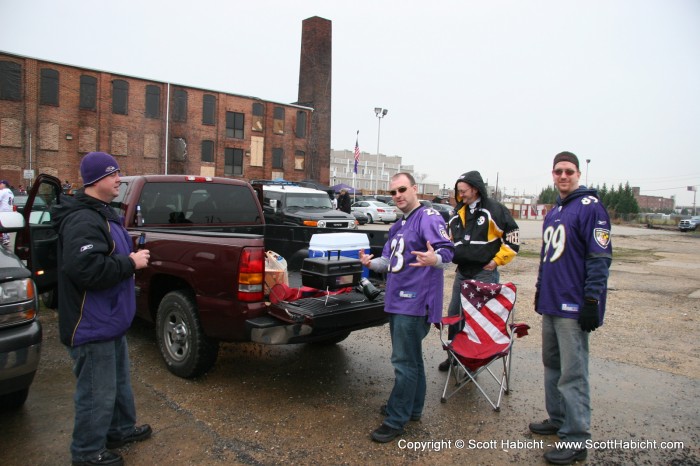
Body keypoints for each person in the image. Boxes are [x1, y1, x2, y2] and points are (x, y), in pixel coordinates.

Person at [52, 152, 152, 466]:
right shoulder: (83, 218)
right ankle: (86, 452)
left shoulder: (102, 213)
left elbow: (104, 252)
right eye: (113, 175)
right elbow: (86, 270)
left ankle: (120, 430)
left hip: (110, 319)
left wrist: (128, 252)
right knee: (97, 392)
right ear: (96, 181)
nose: (118, 179)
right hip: (90, 323)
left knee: (118, 382)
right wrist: (130, 262)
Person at [529, 151, 612, 465]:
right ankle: (559, 418)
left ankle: (576, 438)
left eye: (569, 171)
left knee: (573, 374)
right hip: (551, 302)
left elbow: (599, 258)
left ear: (578, 174)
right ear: (552, 174)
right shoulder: (555, 211)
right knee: (552, 365)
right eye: (558, 171)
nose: (563, 176)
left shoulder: (591, 208)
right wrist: (540, 290)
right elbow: (548, 258)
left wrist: (592, 301)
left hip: (572, 307)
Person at [360, 172, 454, 443]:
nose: (398, 195)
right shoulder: (399, 225)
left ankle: (396, 418)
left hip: (415, 302)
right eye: (393, 192)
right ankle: (412, 409)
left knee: (403, 362)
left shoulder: (429, 217)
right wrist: (371, 263)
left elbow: (447, 252)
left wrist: (433, 257)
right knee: (411, 359)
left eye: (402, 189)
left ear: (415, 189)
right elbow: (389, 261)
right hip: (398, 300)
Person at [438, 171, 520, 371]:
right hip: (462, 272)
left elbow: (513, 238)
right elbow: (450, 239)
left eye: (463, 191)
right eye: (458, 191)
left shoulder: (495, 210)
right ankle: (453, 356)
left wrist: (496, 261)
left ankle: (474, 361)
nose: (460, 195)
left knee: (478, 318)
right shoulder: (457, 212)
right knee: (454, 312)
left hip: (484, 272)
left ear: (475, 189)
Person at [0, 179, 14, 248]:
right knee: (6, 224)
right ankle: (6, 238)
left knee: (2, 224)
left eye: (0, 184)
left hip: (3, 210)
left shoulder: (3, 191)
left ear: (4, 184)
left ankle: (5, 238)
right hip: (9, 210)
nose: (0, 185)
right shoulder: (10, 191)